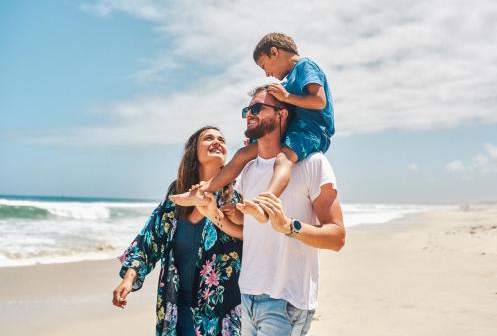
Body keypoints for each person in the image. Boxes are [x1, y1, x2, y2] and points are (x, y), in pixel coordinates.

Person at [172, 32, 334, 224]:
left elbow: (319, 101)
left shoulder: (306, 66)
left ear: (274, 52)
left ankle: (266, 204)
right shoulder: (288, 80)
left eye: (264, 65)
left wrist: (286, 97)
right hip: (294, 129)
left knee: (284, 159)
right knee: (243, 154)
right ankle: (203, 190)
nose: (266, 73)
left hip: (312, 131)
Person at [112, 126, 244, 336]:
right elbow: (148, 241)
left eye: (222, 139)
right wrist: (129, 278)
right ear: (194, 151)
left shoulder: (235, 198)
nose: (217, 142)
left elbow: (256, 239)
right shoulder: (177, 196)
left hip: (221, 313)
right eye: (209, 138)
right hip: (176, 310)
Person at [236, 86, 345, 336]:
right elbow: (249, 233)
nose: (249, 115)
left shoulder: (313, 164)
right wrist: (216, 214)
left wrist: (289, 227)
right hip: (248, 295)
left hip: (286, 301)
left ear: (282, 114)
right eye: (246, 110)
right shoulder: (248, 170)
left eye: (256, 109)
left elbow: (337, 237)